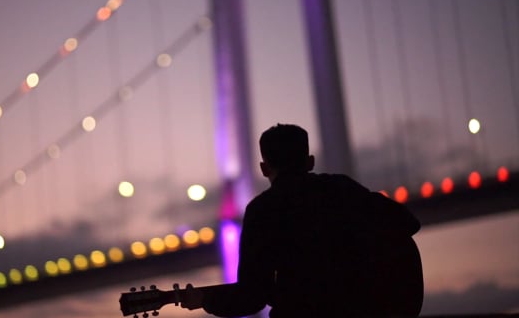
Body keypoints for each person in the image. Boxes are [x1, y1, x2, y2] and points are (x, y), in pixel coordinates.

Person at [181, 123, 423, 317]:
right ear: (310, 162)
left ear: (264, 168)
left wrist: (204, 300)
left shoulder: (263, 210)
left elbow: (251, 298)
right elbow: (408, 223)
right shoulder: (341, 188)